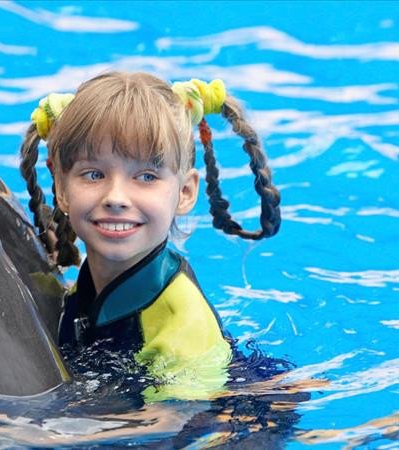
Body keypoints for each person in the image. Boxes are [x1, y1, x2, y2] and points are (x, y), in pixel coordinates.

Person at [19, 72, 281, 400]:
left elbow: (170, 427)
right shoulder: (89, 286)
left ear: (185, 192)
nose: (116, 197)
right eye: (94, 174)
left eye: (146, 176)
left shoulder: (181, 326)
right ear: (60, 186)